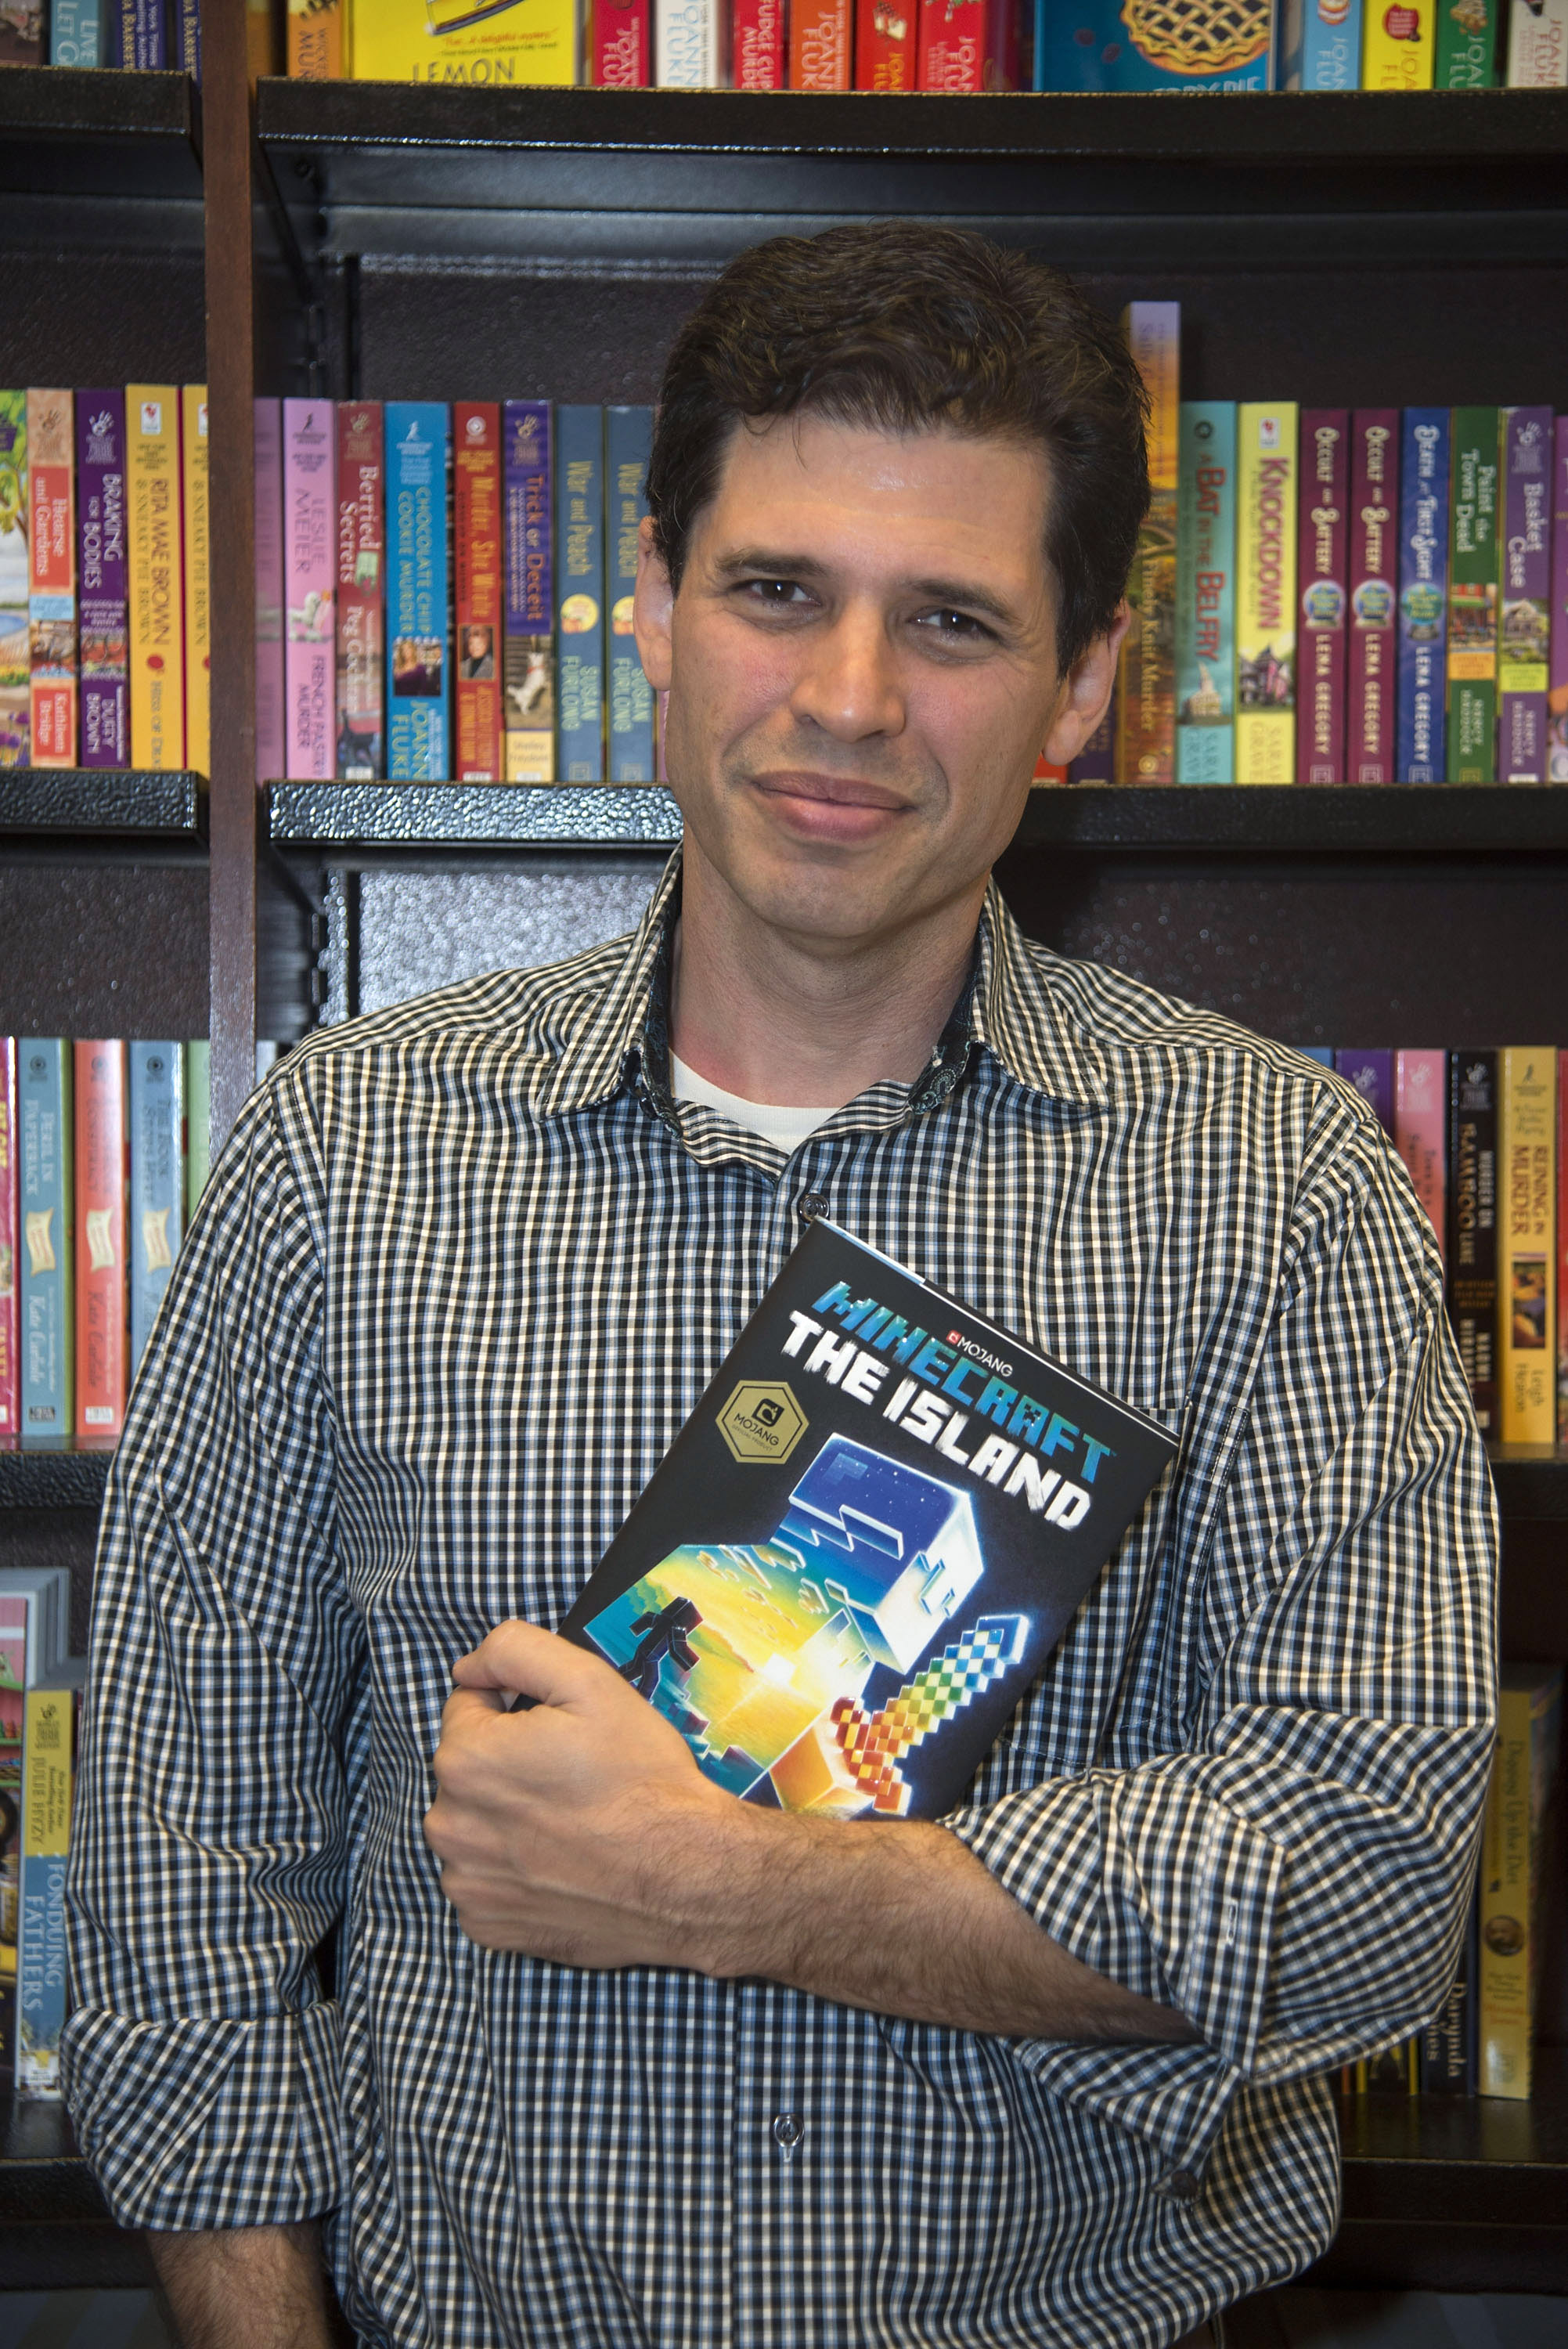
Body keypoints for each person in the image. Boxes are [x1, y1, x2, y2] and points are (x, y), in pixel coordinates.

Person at [64, 224, 1496, 2349]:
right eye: (774, 591)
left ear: (1082, 684)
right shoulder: (348, 1149)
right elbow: (185, 1867)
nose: (844, 699)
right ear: (650, 609)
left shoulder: (1275, 1188)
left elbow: (1369, 1877)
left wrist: (738, 1893)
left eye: (948, 622)